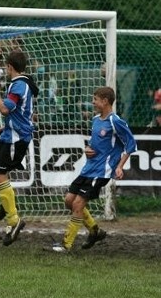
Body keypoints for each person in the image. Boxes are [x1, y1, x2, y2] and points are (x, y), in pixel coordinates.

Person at [51, 87, 137, 253]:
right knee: (69, 200)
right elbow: (95, 145)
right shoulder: (96, 120)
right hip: (88, 168)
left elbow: (131, 144)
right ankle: (95, 231)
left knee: (77, 204)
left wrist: (119, 166)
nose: (93, 102)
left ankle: (66, 245)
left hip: (101, 171)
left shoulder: (115, 121)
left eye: (95, 99)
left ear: (105, 101)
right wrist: (88, 149)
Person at [0, 50, 39, 246]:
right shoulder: (24, 83)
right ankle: (6, 206)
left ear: (9, 67)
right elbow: (20, 112)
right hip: (10, 133)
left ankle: (14, 221)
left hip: (17, 139)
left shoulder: (19, 85)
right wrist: (6, 125)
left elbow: (5, 108)